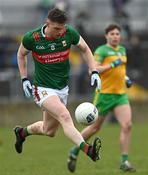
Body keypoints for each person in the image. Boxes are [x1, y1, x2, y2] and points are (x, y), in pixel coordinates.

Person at [14, 8, 102, 165]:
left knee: (49, 131)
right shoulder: (32, 38)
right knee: (65, 116)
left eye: (62, 28)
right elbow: (21, 54)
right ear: (47, 24)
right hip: (42, 89)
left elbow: (85, 49)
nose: (60, 32)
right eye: (56, 28)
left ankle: (22, 133)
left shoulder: (69, 33)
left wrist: (94, 70)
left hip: (62, 89)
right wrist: (24, 79)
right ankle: (88, 150)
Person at [67, 24, 136, 173]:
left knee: (127, 125)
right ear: (106, 36)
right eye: (112, 34)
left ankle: (124, 162)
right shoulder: (101, 50)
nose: (115, 36)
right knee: (94, 127)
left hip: (120, 94)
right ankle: (75, 149)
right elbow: (95, 68)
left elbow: (120, 70)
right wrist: (112, 64)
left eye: (118, 34)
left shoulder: (122, 50)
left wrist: (126, 78)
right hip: (104, 94)